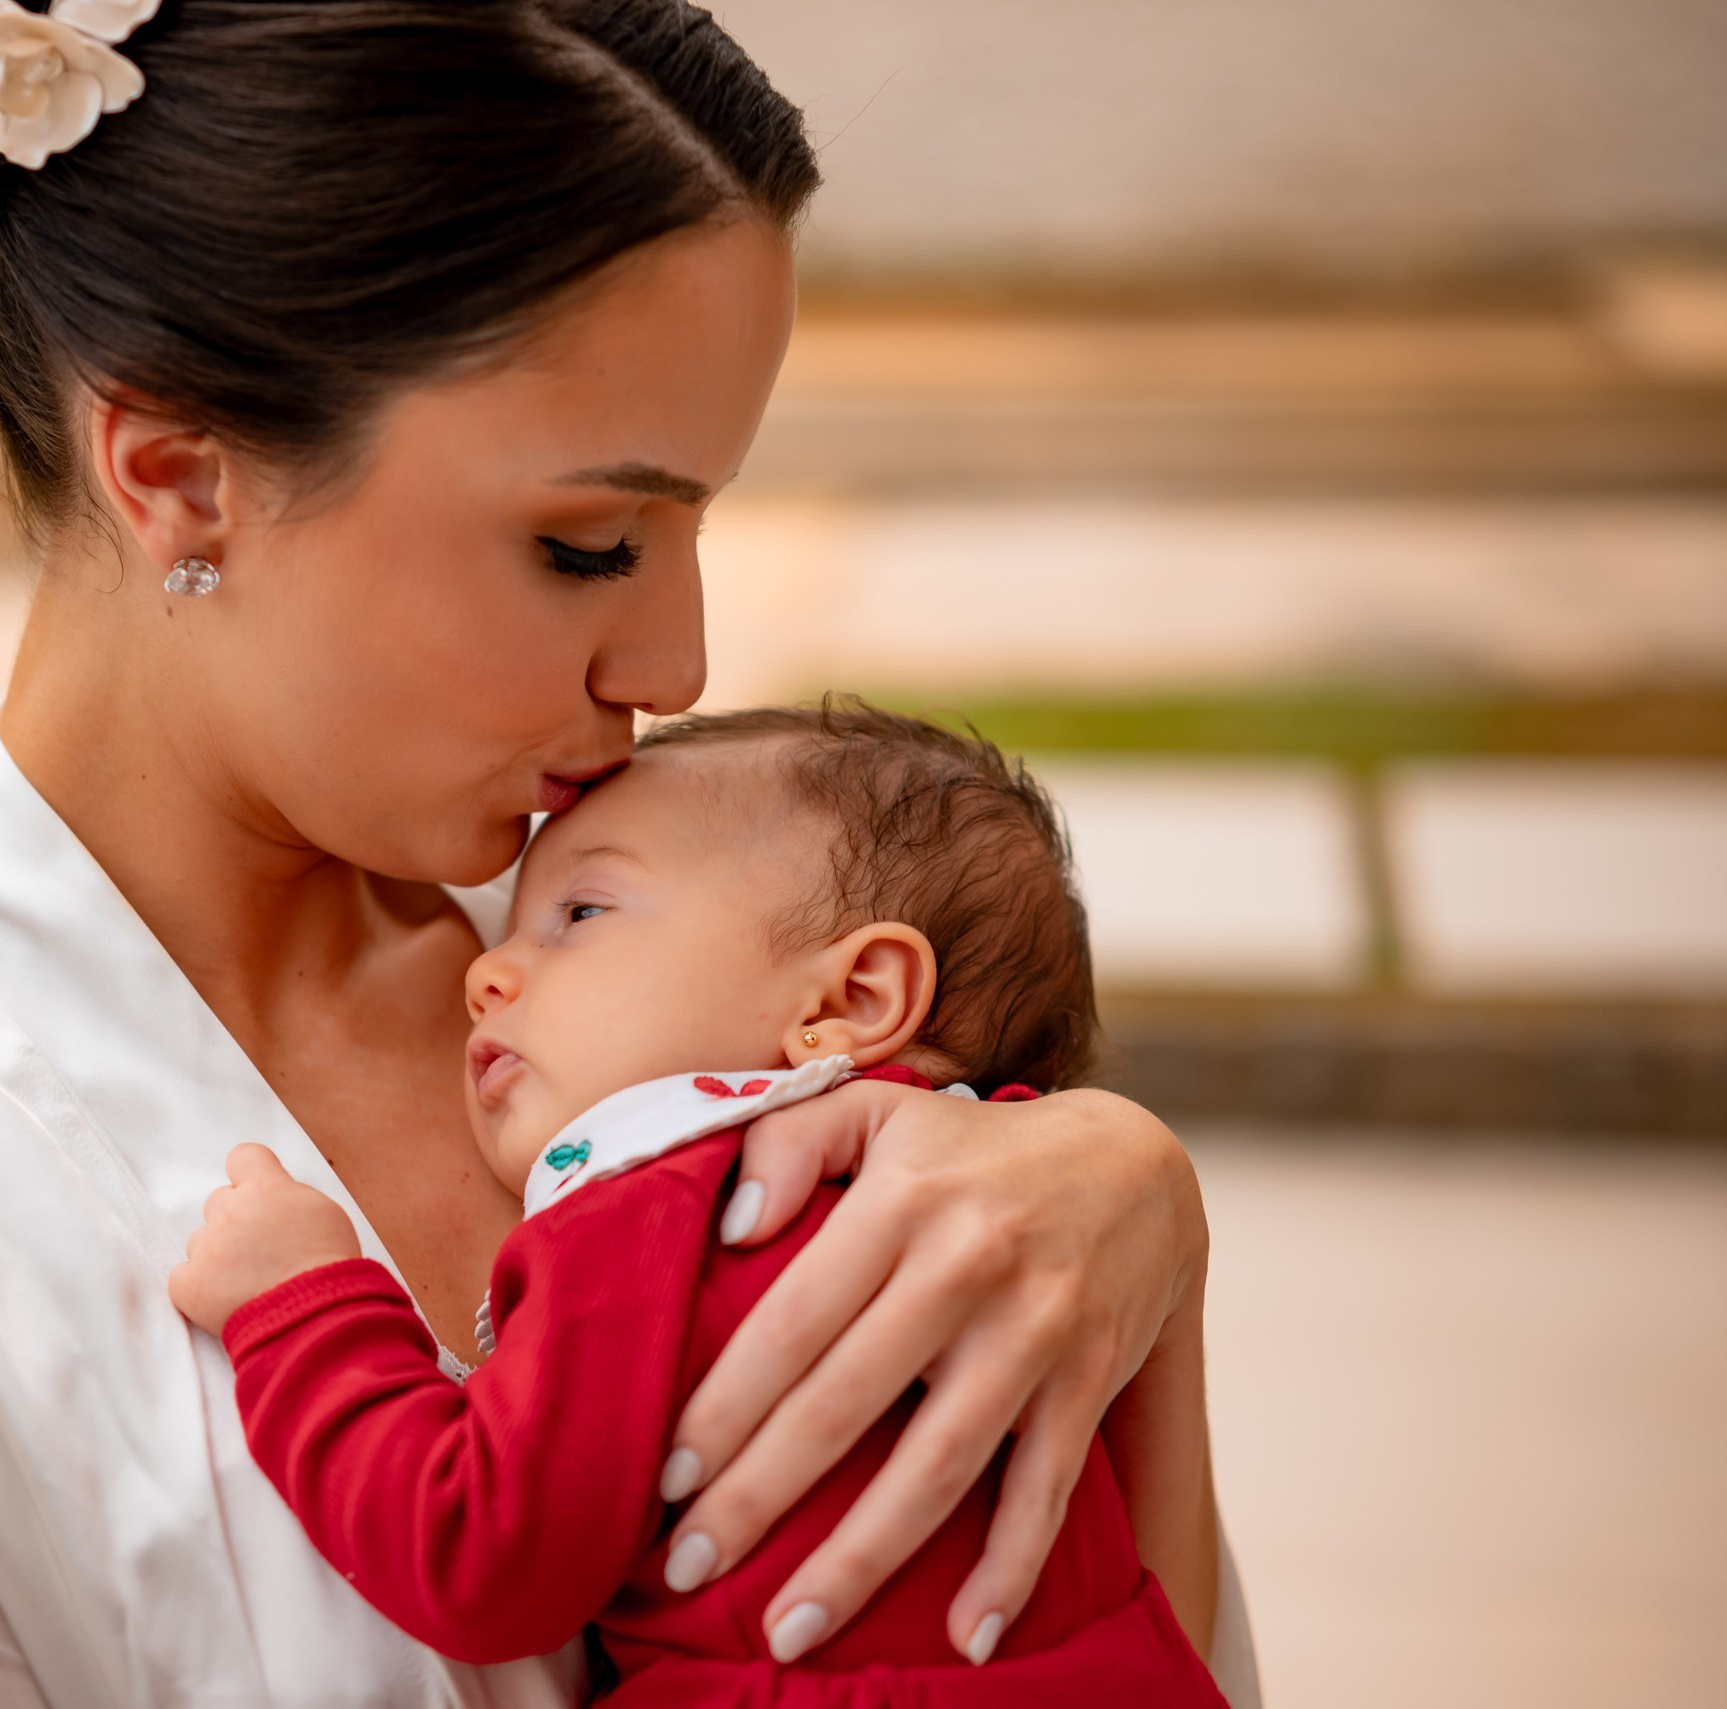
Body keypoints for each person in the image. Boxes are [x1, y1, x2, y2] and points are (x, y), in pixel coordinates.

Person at [0, 3, 1260, 1705]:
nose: (675, 664)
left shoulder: (713, 971)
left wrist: (1137, 1253)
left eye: (692, 525)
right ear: (180, 478)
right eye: (589, 540)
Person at [169, 704, 1228, 1704]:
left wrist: (303, 1302)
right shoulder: (1016, 1213)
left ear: (847, 1002)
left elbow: (479, 1552)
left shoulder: (656, 1209)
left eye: (580, 912)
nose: (488, 970)